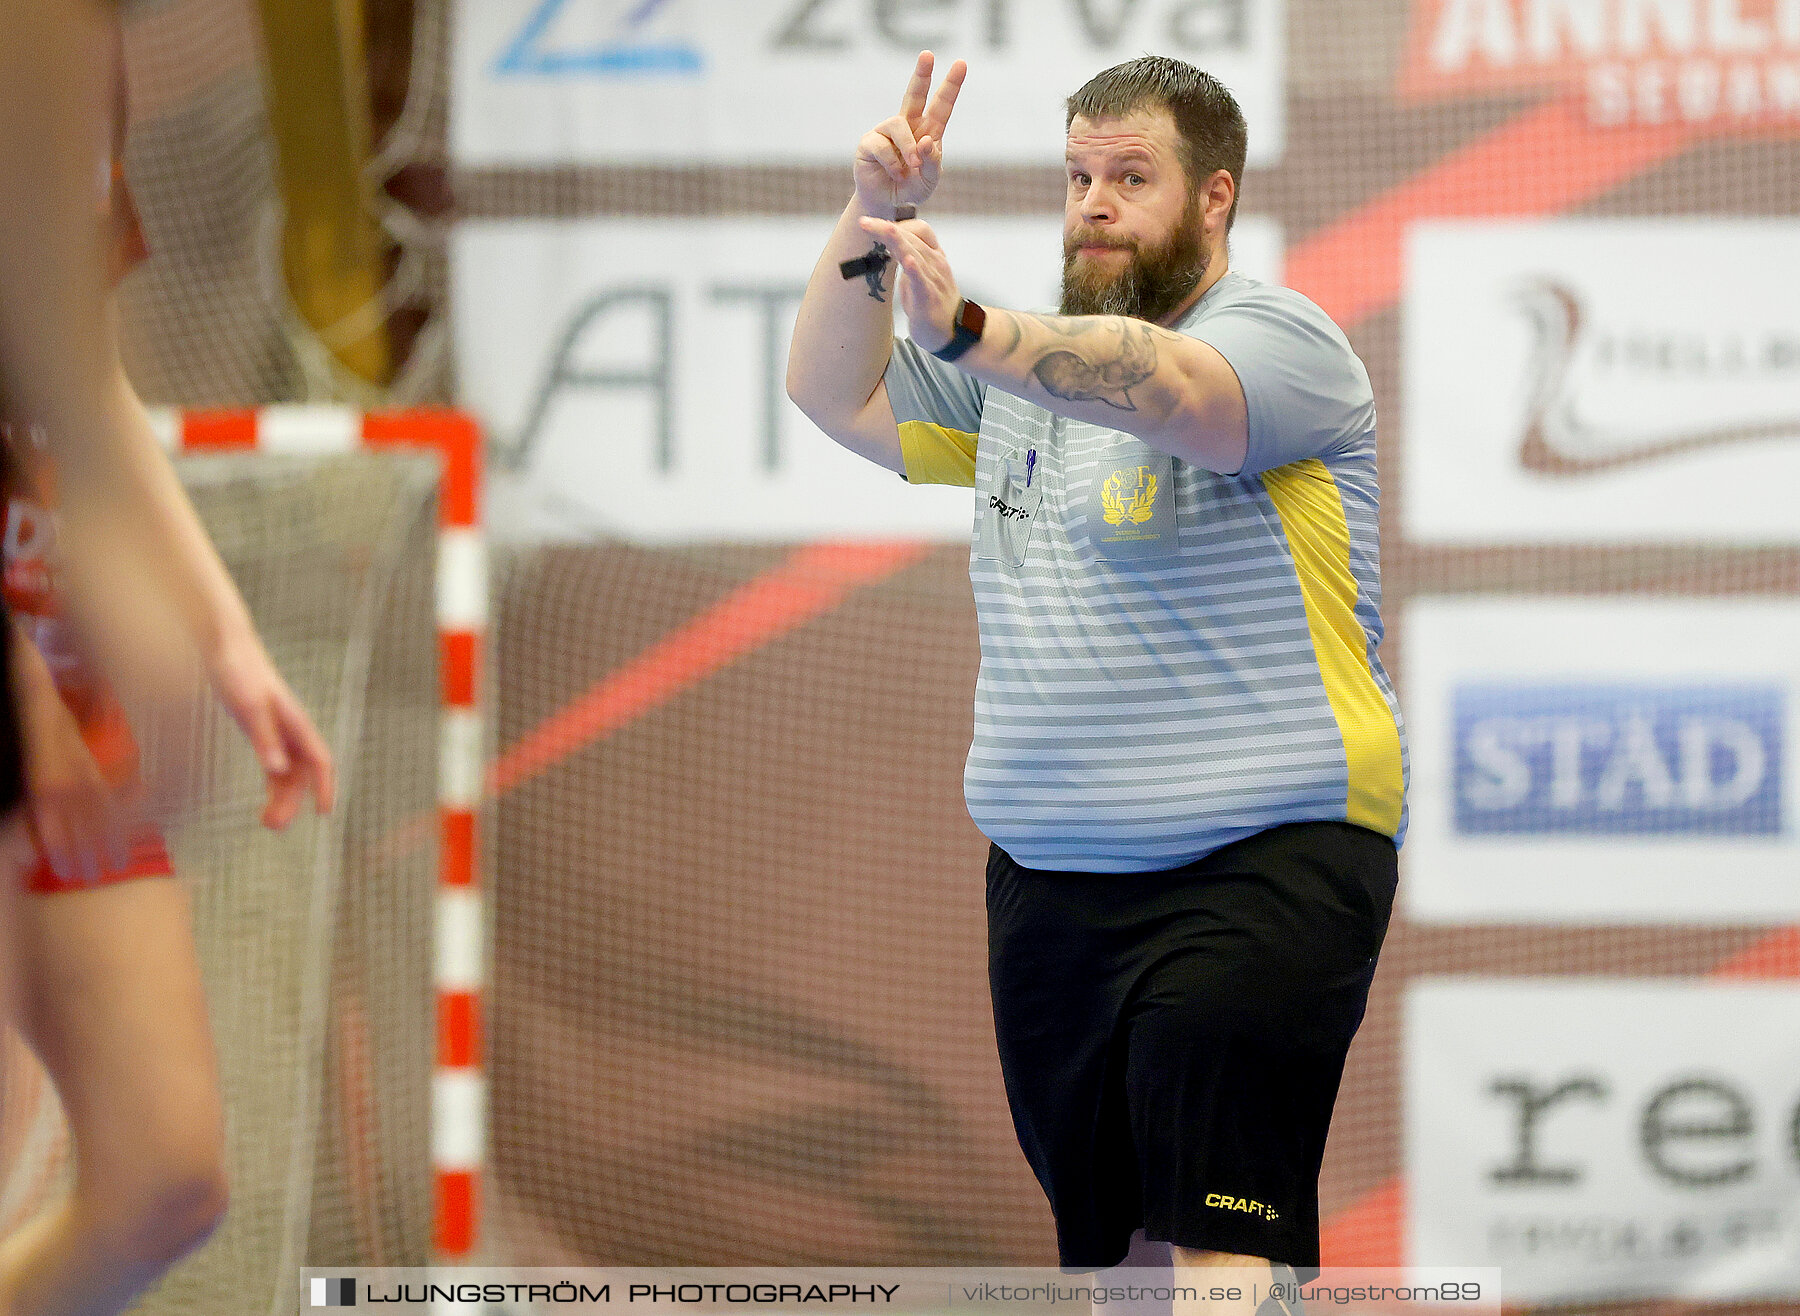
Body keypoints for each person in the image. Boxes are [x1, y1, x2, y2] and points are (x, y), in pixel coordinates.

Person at [787, 51, 1407, 1312]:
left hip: (1262, 859)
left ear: (1217, 198)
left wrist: (967, 329)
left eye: (1133, 176)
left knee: (1217, 1245)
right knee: (1116, 1266)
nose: (1096, 203)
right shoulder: (1016, 387)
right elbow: (828, 387)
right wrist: (871, 216)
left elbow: (1166, 387)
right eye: (1079, 176)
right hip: (1052, 887)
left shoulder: (1280, 342)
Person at [0, 17, 337, 1316]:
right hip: (31, 689)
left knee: (163, 1179)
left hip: (61, 668)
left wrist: (222, 630)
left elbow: (77, 368)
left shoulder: (74, 56)